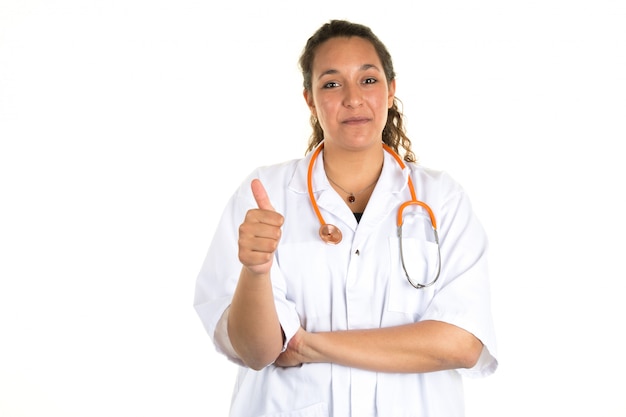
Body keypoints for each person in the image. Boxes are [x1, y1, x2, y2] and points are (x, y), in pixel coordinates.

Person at [194, 19, 497, 417]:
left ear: (390, 91)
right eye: (332, 84)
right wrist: (255, 271)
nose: (353, 98)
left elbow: (461, 343)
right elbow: (259, 350)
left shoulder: (441, 199)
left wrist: (307, 345)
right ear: (310, 100)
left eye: (368, 80)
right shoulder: (264, 195)